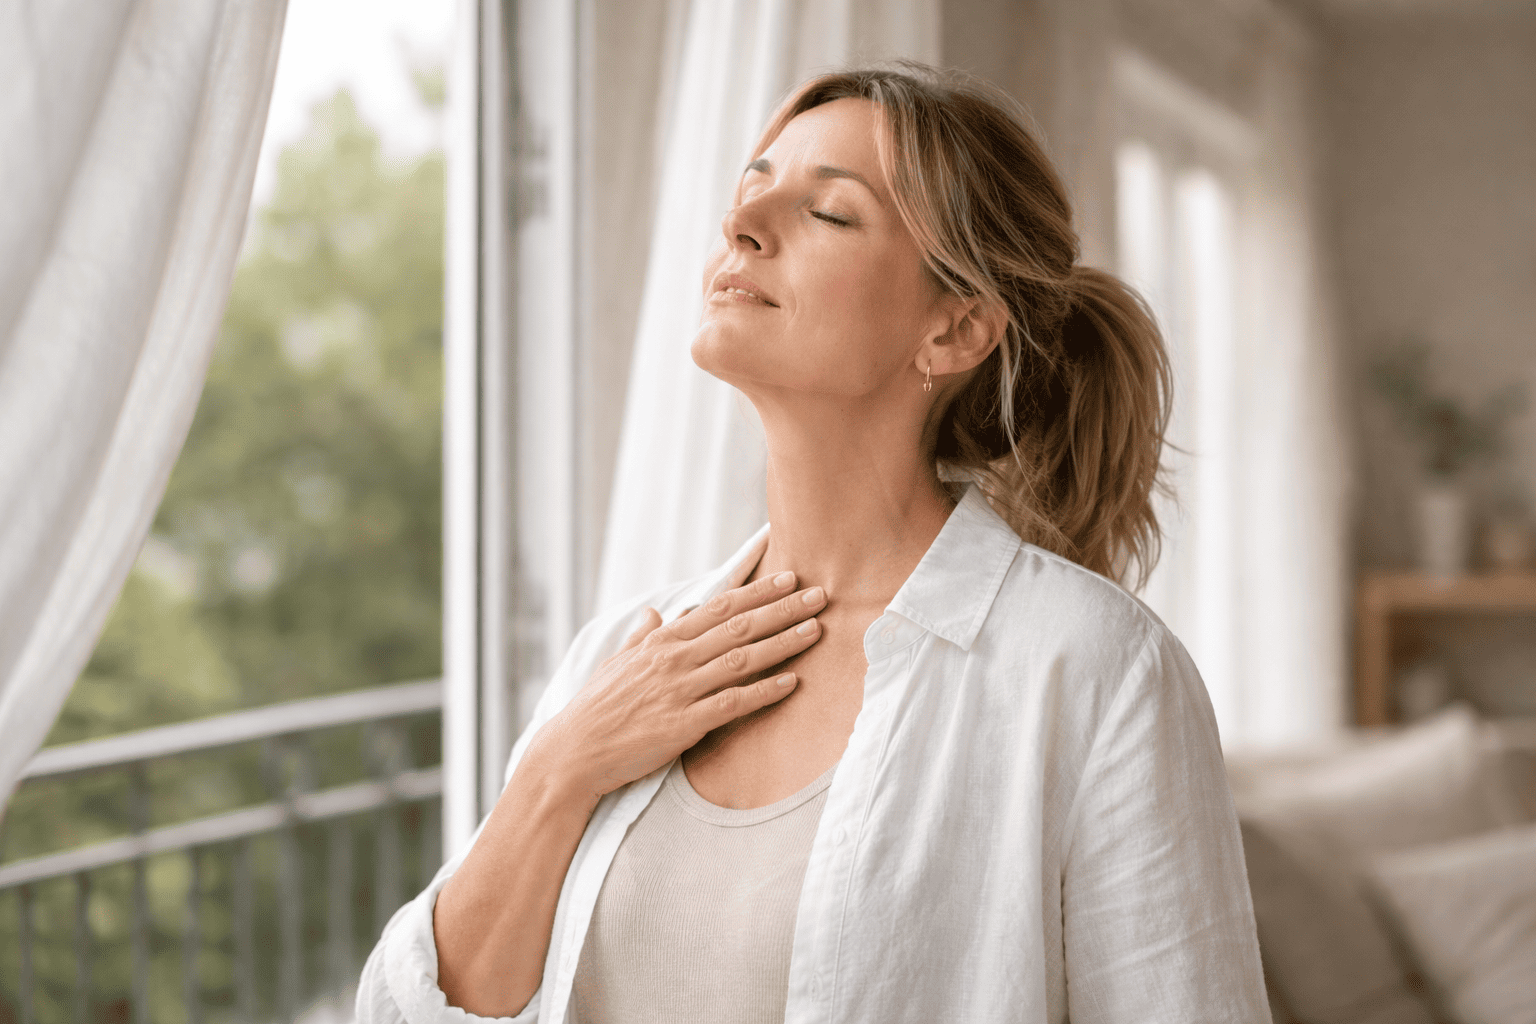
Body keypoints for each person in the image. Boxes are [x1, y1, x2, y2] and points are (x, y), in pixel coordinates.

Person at [358, 59, 1269, 1024]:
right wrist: (561, 767)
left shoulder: (1091, 670)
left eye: (828, 214)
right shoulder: (622, 654)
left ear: (956, 330)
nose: (741, 224)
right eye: (754, 185)